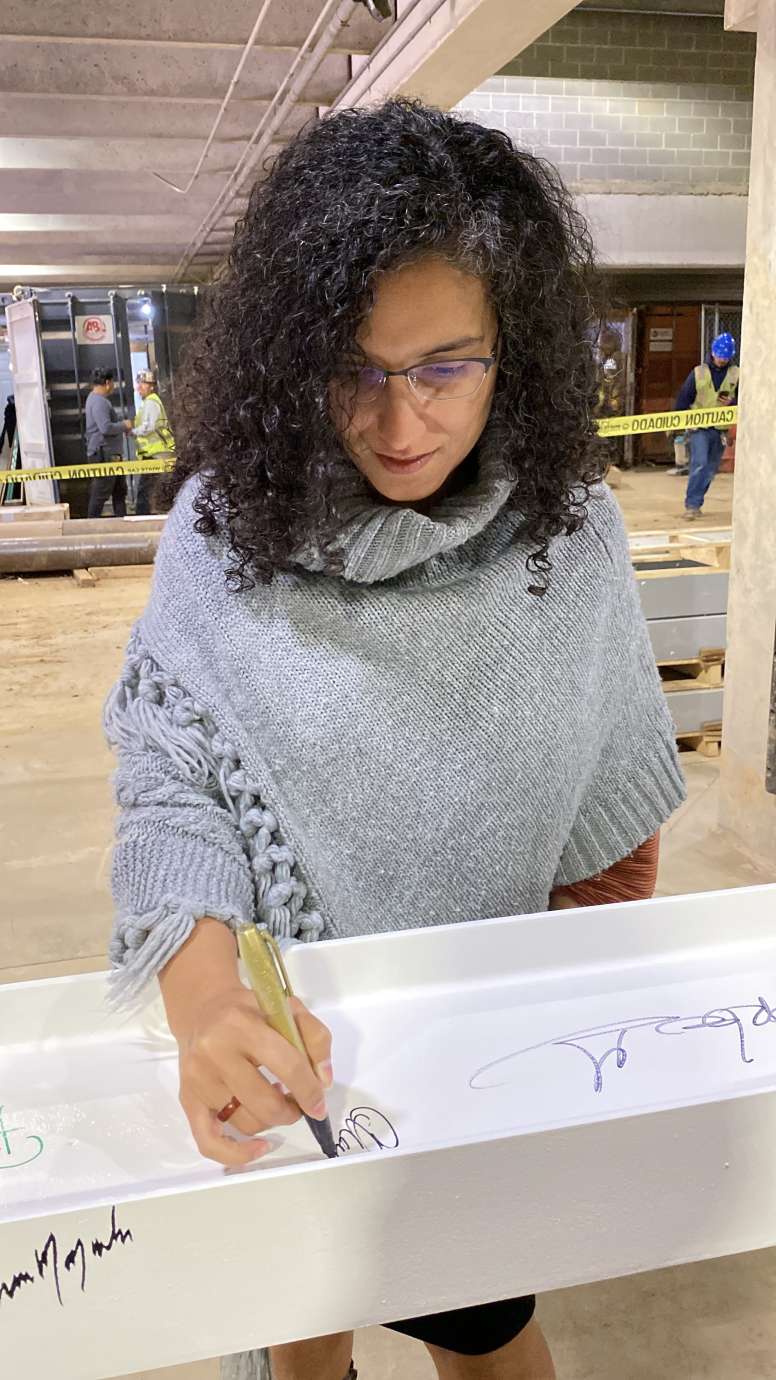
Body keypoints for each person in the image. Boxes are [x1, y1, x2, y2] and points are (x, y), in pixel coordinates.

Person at [104, 101, 686, 1380]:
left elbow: (609, 828)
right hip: (280, 1045)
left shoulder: (565, 538)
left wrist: (534, 1029)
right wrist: (206, 1001)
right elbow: (172, 786)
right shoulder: (219, 535)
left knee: (481, 1325)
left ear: (513, 349)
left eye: (443, 367)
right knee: (299, 1324)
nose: (398, 421)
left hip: (477, 1068)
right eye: (353, 369)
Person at [675, 332, 739, 520]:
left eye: (725, 357)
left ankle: (697, 501)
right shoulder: (699, 373)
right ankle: (692, 504)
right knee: (700, 464)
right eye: (719, 356)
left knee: (710, 470)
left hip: (720, 430)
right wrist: (677, 423)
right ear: (712, 353)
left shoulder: (736, 374)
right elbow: (683, 398)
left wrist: (732, 403)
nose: (722, 360)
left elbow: (746, 398)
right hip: (699, 428)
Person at [85, 368, 132, 518]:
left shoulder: (96, 399)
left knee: (119, 491)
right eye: (113, 382)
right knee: (100, 493)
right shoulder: (99, 402)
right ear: (107, 383)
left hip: (110, 454)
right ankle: (91, 524)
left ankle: (122, 522)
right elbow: (105, 428)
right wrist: (124, 425)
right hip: (105, 454)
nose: (114, 386)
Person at [129, 369, 176, 515]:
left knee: (145, 489)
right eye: (139, 384)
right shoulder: (149, 402)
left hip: (157, 453)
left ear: (152, 386)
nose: (139, 387)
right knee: (151, 488)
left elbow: (149, 426)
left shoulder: (151, 402)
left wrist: (133, 431)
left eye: (143, 384)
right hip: (154, 453)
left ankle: (142, 516)